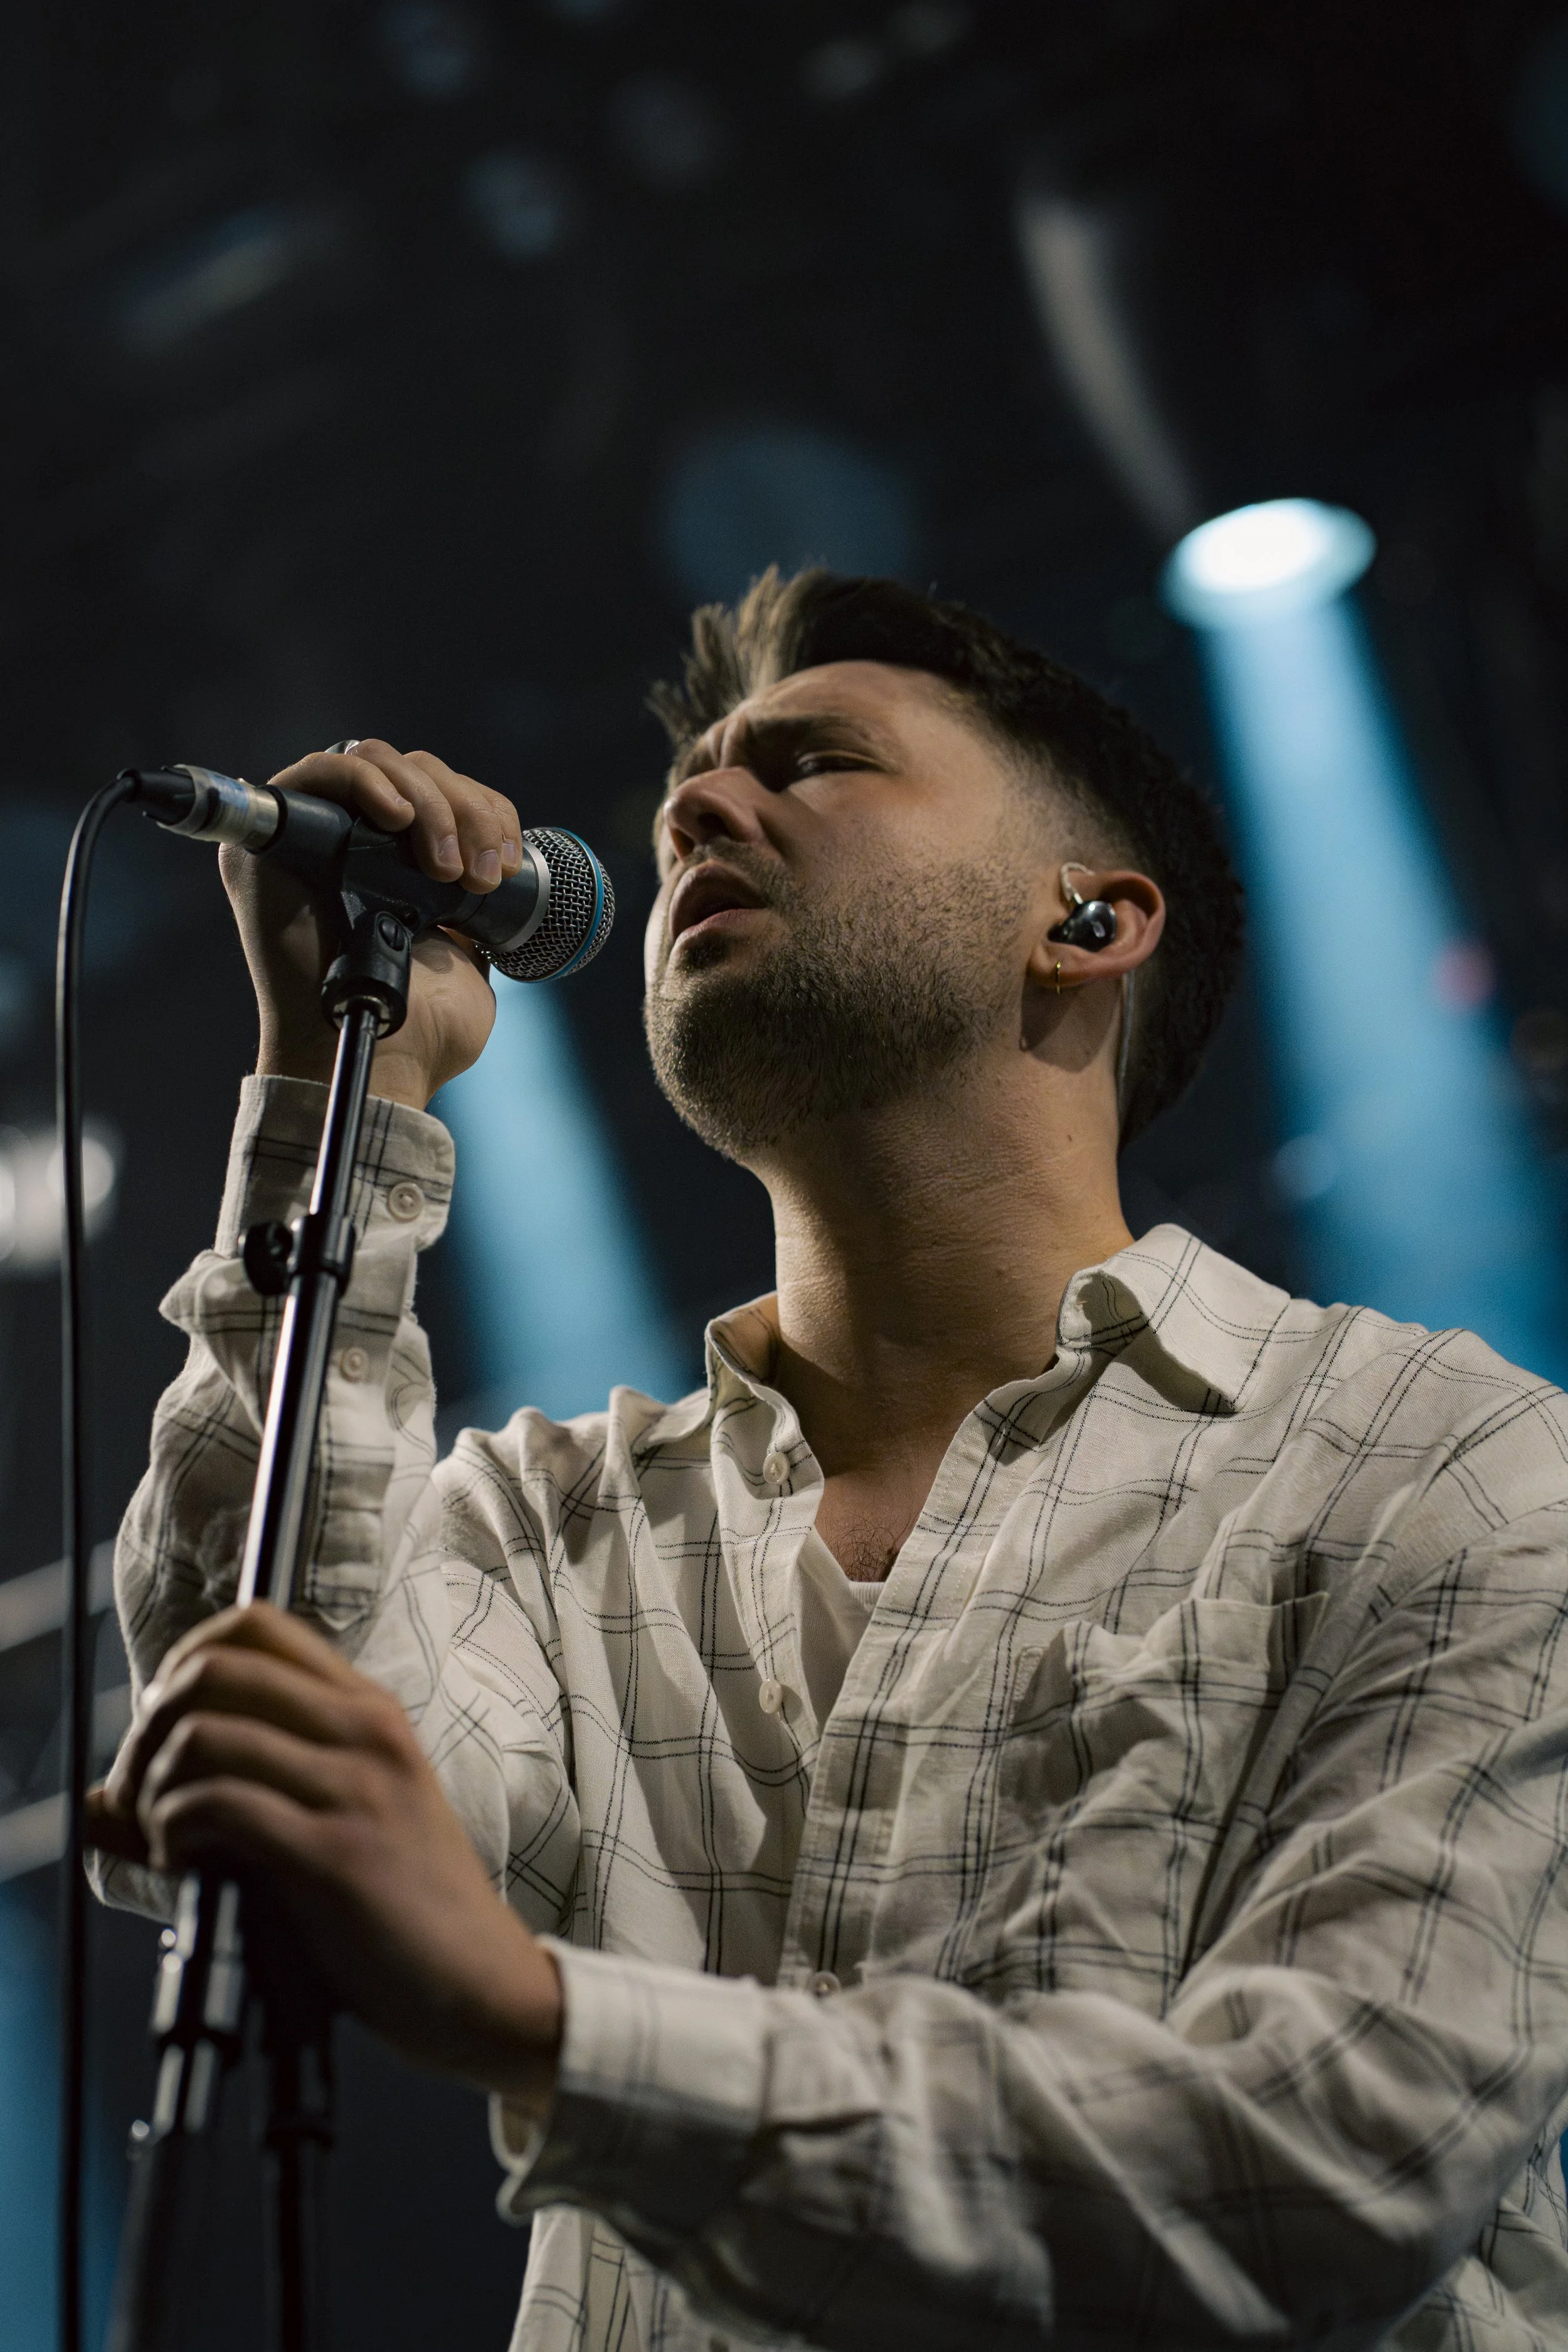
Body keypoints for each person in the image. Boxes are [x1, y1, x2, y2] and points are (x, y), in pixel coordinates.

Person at [90, 569, 1568, 2351]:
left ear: (1088, 919)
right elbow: (253, 1771)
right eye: (693, 780)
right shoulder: (541, 1530)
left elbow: (1309, 2166)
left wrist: (557, 2027)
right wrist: (342, 1078)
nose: (695, 807)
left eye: (814, 763)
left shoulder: (1445, 1467)